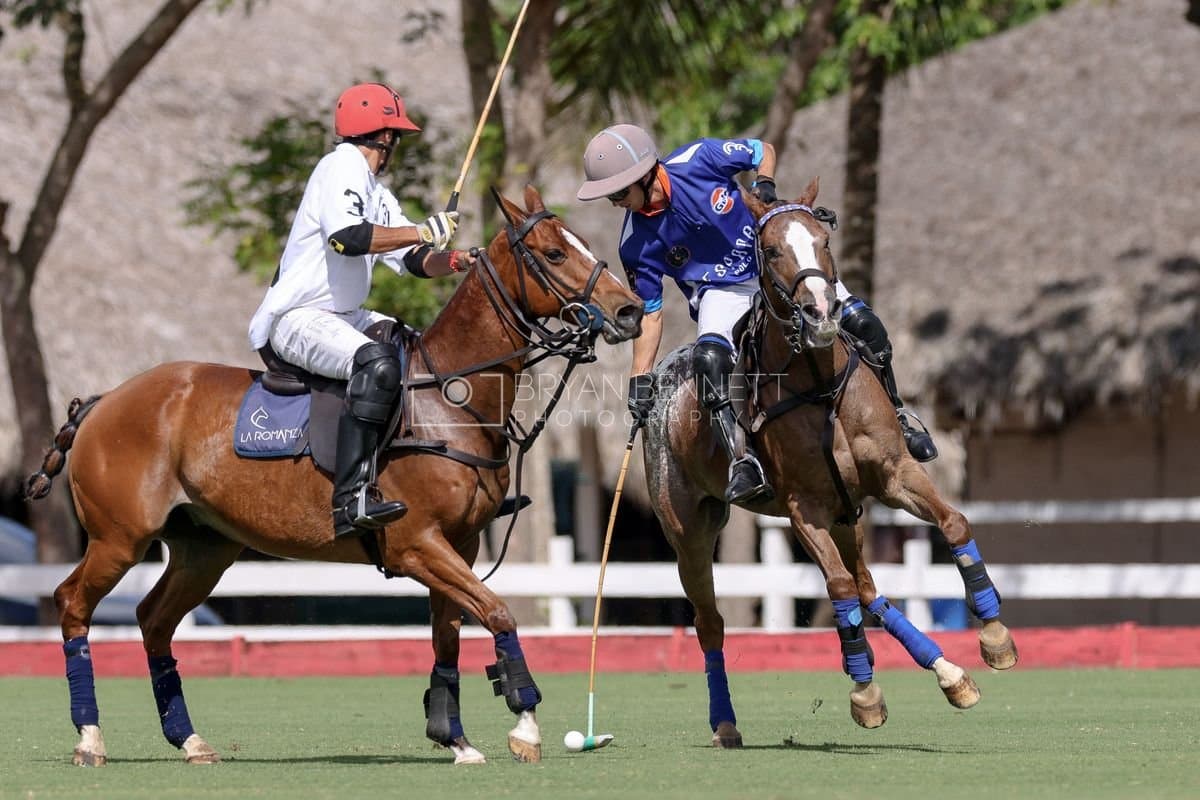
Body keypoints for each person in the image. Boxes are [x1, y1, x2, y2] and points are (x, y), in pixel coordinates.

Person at [576, 124, 935, 505]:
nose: (615, 203)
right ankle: (742, 460)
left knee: (865, 325)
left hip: (777, 266)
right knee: (709, 361)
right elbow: (651, 312)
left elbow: (762, 149)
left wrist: (764, 182)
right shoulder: (635, 242)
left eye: (617, 192)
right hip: (721, 292)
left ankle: (900, 419)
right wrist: (640, 376)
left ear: (645, 174)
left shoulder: (698, 159)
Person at [248, 82, 469, 538]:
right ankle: (350, 498)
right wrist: (422, 231)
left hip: (344, 315)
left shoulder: (375, 190)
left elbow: (411, 260)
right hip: (297, 317)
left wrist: (455, 260)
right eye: (396, 137)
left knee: (418, 353)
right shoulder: (340, 167)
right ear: (384, 137)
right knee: (378, 363)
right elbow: (346, 238)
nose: (395, 147)